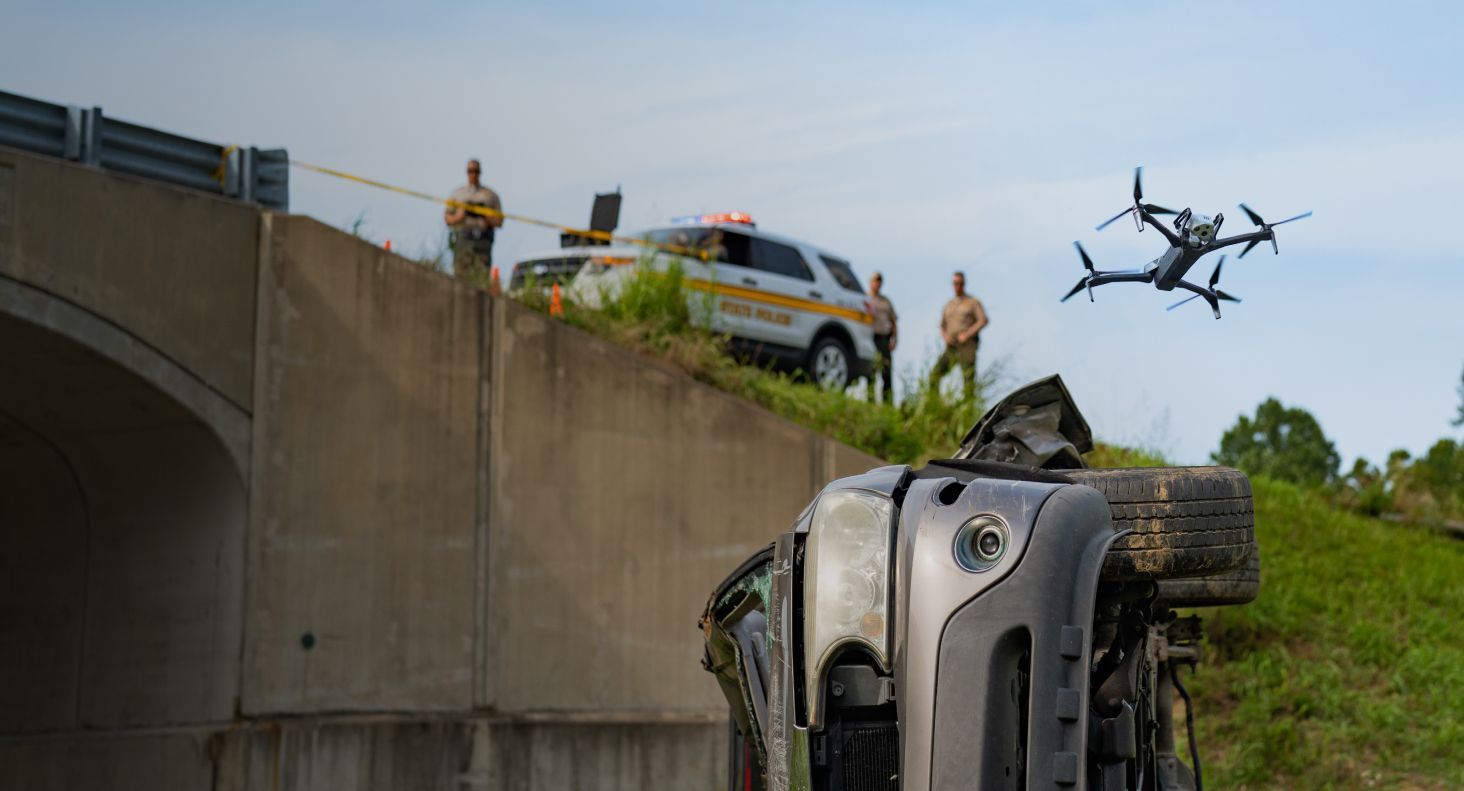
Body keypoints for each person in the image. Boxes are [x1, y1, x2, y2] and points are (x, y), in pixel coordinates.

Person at [928, 270, 988, 401]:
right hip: (951, 346)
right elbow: (942, 326)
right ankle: (933, 403)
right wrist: (945, 337)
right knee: (935, 374)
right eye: (955, 283)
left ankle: (968, 406)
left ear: (964, 284)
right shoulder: (949, 304)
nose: (957, 286)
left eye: (959, 283)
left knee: (968, 376)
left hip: (967, 344)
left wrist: (967, 334)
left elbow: (983, 320)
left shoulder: (972, 302)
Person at [444, 158, 503, 282]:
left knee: (481, 278)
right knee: (461, 277)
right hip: (464, 238)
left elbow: (500, 221)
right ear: (467, 172)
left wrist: (485, 215)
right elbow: (447, 219)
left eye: (476, 171)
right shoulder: (457, 194)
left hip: (483, 240)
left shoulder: (490, 195)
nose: (473, 174)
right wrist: (460, 216)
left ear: (480, 172)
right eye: (470, 171)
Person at [866, 271, 898, 403]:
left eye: (879, 281)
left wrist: (895, 339)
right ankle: (870, 401)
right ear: (870, 282)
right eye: (875, 281)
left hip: (884, 339)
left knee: (886, 372)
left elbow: (894, 322)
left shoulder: (886, 302)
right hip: (870, 339)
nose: (877, 284)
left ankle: (887, 403)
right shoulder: (864, 299)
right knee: (870, 371)